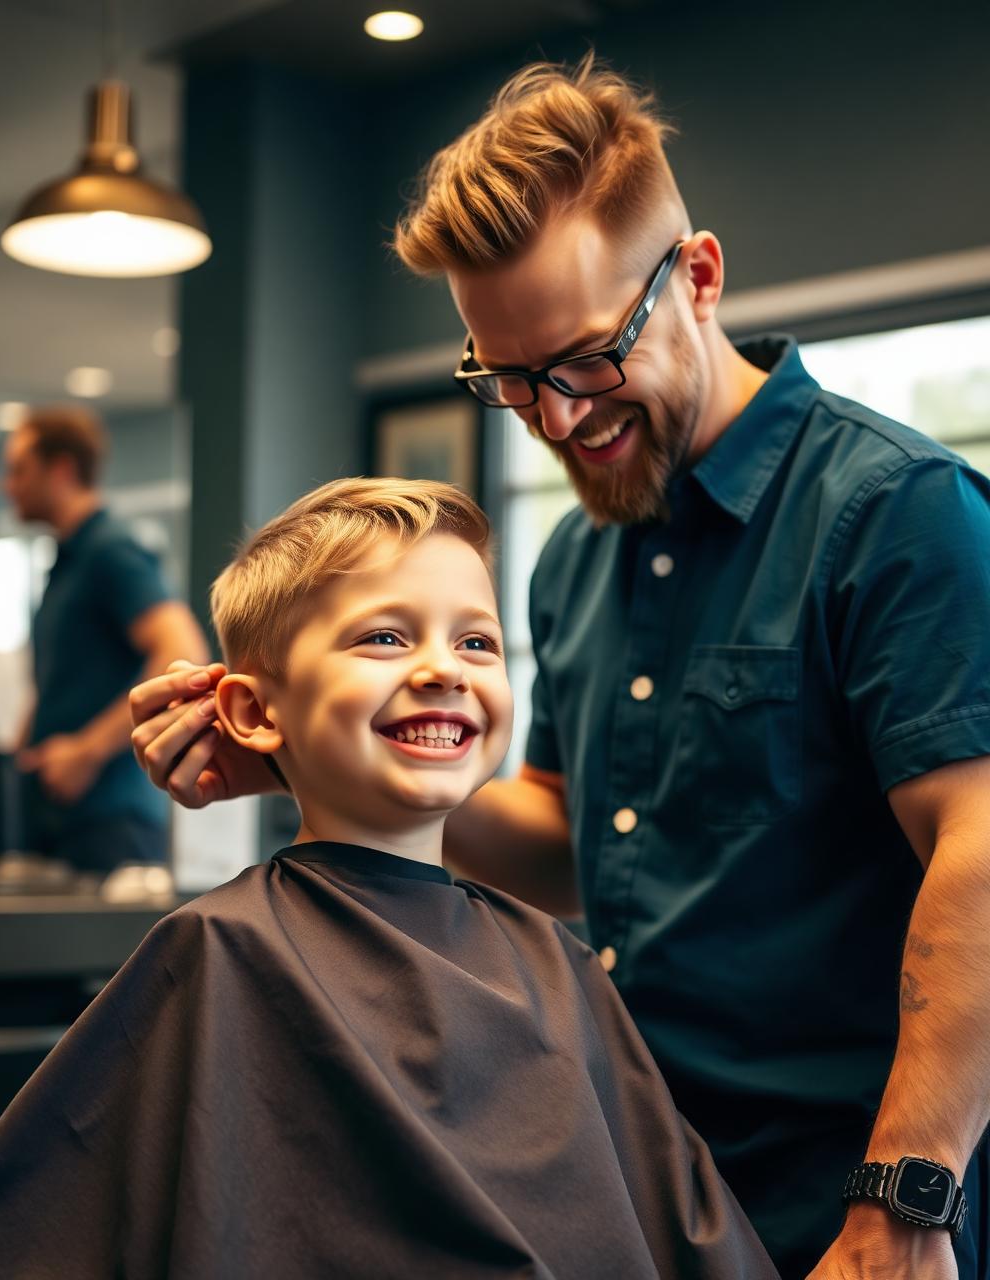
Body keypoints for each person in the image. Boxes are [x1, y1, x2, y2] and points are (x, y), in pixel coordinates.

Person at [128, 58, 990, 1280]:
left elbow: (983, 850)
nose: (556, 419)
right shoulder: (581, 554)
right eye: (508, 378)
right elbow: (577, 840)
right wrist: (328, 759)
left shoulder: (894, 512)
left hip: (851, 1193)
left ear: (696, 277)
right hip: (653, 1185)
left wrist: (903, 1203)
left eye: (584, 360)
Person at [0, 478, 778, 1280]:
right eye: (385, 638)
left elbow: (691, 1234)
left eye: (477, 642)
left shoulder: (556, 963)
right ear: (251, 713)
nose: (443, 670)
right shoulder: (222, 951)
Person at [0, 404, 208, 871]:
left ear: (62, 470)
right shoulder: (67, 561)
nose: (5, 485)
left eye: (18, 470)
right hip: (61, 814)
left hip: (112, 820)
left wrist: (86, 752)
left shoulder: (111, 550)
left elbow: (182, 649)